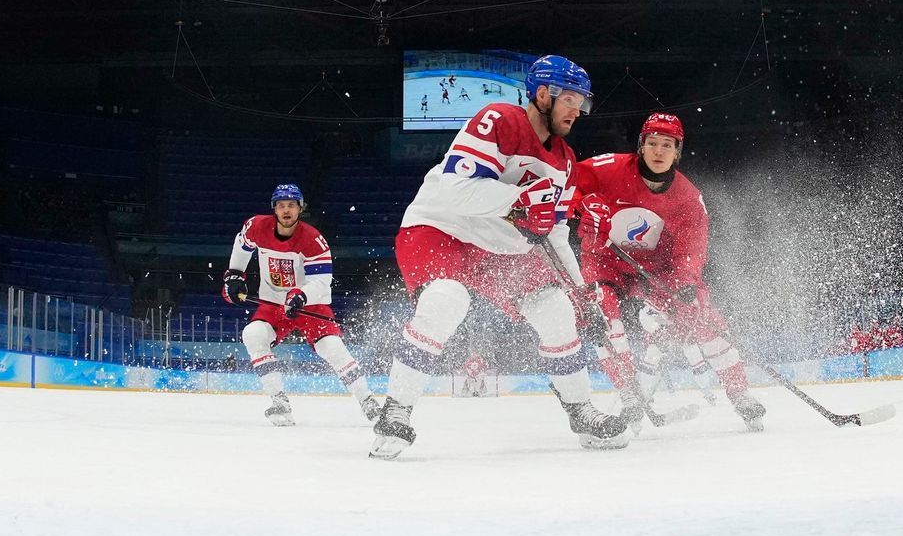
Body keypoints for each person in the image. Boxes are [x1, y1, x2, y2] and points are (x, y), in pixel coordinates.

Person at [369, 54, 630, 459]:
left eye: (583, 102)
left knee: (557, 310)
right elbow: (455, 189)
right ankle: (395, 411)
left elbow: (555, 234)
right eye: (571, 100)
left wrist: (582, 294)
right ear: (543, 93)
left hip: (501, 246)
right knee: (445, 301)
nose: (578, 111)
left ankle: (582, 411)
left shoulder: (565, 163)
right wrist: (519, 201)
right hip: (442, 228)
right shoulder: (499, 120)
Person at [567, 112, 766, 429]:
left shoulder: (688, 197)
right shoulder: (606, 169)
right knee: (602, 315)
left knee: (700, 315)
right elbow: (565, 185)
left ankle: (740, 395)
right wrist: (582, 205)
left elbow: (691, 248)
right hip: (605, 260)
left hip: (658, 270)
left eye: (668, 145)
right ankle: (631, 396)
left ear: (678, 152)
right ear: (641, 146)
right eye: (653, 143)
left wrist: (686, 284)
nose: (659, 151)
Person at [221, 184, 374, 426]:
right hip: (272, 303)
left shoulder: (313, 240)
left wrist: (300, 295)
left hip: (310, 305)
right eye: (281, 205)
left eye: (291, 205)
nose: (286, 210)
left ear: (300, 208)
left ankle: (368, 401)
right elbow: (242, 245)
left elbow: (321, 281)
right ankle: (278, 400)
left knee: (331, 347)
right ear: (274, 209)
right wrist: (235, 275)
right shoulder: (257, 226)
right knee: (253, 334)